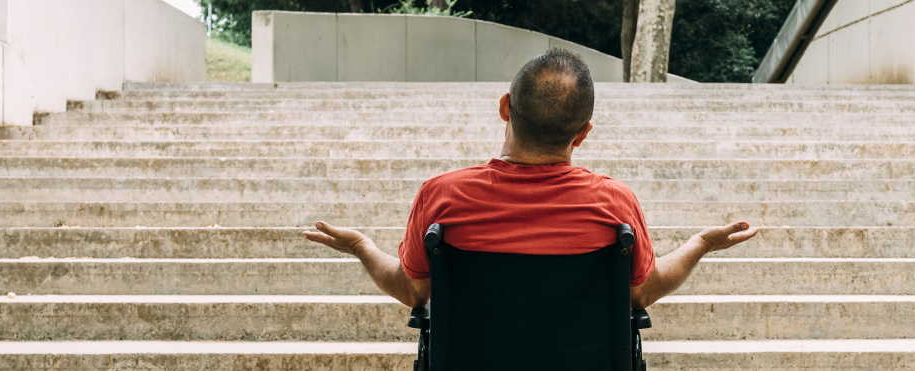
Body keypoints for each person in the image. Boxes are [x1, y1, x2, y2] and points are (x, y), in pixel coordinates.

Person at [304, 48, 758, 309]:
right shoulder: (613, 204)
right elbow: (641, 293)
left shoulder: (442, 196)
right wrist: (701, 242)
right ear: (582, 134)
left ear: (505, 107)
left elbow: (412, 291)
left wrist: (362, 247)